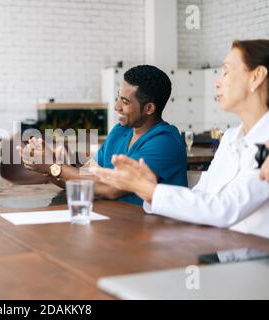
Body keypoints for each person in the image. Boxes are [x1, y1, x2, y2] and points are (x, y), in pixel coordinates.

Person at [93, 40, 269, 238]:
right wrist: (151, 191)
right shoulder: (230, 138)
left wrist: (151, 190)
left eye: (226, 71)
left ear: (257, 76)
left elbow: (225, 209)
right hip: (219, 247)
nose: (217, 82)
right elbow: (202, 196)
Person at [19, 65, 187, 205]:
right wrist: (47, 166)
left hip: (152, 234)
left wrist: (52, 166)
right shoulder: (119, 132)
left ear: (149, 108)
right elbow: (84, 178)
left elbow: (111, 189)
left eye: (125, 102)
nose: (116, 106)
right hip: (115, 224)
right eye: (118, 98)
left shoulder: (165, 142)